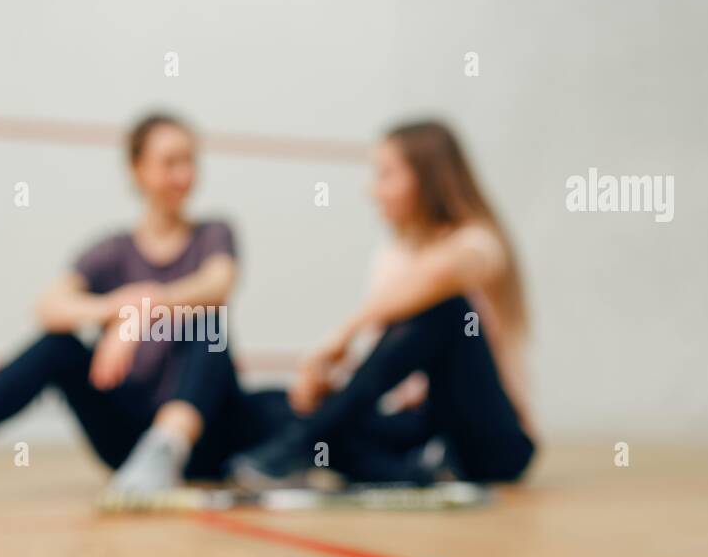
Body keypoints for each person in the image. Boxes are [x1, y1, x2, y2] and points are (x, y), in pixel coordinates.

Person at [0, 113, 279, 504]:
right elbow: (49, 306)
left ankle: (166, 449)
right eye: (170, 163)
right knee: (58, 346)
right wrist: (113, 310)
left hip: (206, 438)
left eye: (189, 162)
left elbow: (217, 285)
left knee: (206, 325)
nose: (183, 175)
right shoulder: (111, 252)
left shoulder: (213, 233)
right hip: (127, 445)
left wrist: (143, 311)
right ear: (137, 170)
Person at [230, 120, 537, 488]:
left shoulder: (480, 245)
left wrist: (339, 337)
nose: (372, 189)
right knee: (273, 405)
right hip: (421, 427)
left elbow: (435, 280)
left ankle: (309, 443)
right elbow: (390, 359)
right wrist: (328, 387)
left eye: (385, 175)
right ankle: (397, 471)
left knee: (448, 310)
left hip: (489, 442)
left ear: (425, 179)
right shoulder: (392, 256)